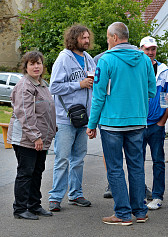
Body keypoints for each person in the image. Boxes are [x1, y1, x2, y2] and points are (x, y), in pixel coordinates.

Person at [86, 22, 156, 226]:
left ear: (115, 38)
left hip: (111, 123)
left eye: (108, 37)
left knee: (115, 168)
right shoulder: (144, 59)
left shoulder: (106, 60)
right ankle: (140, 211)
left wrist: (91, 124)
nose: (107, 40)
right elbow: (152, 91)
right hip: (137, 121)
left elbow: (98, 96)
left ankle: (123, 214)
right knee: (136, 166)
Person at [48, 24, 96, 212]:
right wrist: (79, 84)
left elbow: (94, 86)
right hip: (65, 118)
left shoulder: (89, 59)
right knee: (62, 159)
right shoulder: (63, 59)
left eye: (87, 37)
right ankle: (55, 197)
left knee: (79, 158)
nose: (87, 40)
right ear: (74, 38)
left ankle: (75, 194)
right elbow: (54, 87)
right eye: (83, 37)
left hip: (84, 118)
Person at [7, 51, 56, 220]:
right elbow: (25, 114)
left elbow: (47, 111)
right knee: (26, 173)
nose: (36, 66)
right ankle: (20, 209)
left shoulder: (42, 84)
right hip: (26, 139)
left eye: (39, 63)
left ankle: (34, 205)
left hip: (41, 139)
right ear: (25, 67)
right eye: (32, 64)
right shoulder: (24, 86)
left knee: (37, 172)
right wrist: (36, 137)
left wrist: (52, 128)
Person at [140, 36, 168, 210]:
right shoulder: (136, 67)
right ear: (141, 50)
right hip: (137, 124)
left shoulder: (164, 70)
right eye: (147, 49)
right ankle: (139, 195)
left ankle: (157, 195)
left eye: (153, 49)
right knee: (136, 161)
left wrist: (162, 121)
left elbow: (166, 97)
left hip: (155, 125)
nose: (151, 52)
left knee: (158, 161)